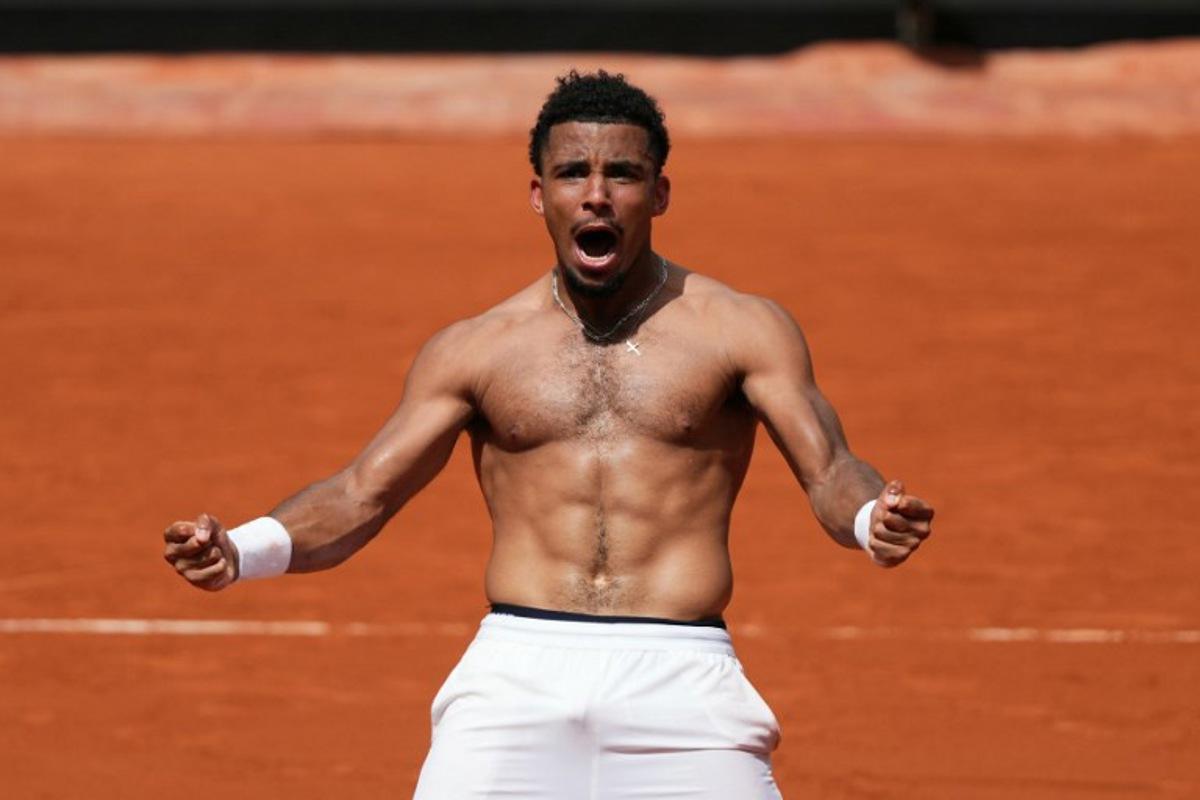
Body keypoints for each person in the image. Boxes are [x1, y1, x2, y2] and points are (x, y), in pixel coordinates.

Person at [162, 70, 934, 798]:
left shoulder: (741, 330)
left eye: (623, 175)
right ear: (539, 194)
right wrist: (243, 549)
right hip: (512, 683)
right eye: (573, 174)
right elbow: (361, 493)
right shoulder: (480, 348)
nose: (596, 196)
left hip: (684, 684)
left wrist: (872, 518)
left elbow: (830, 470)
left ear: (659, 192)